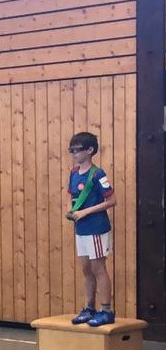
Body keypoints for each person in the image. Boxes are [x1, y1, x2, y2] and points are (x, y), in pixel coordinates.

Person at [65, 132, 118, 327]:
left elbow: (112, 200)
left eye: (77, 150)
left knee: (98, 268)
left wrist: (85, 212)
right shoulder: (73, 173)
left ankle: (106, 310)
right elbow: (71, 195)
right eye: (71, 150)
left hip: (96, 227)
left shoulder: (97, 174)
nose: (74, 154)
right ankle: (89, 308)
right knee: (86, 269)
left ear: (89, 150)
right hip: (81, 228)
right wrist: (71, 210)